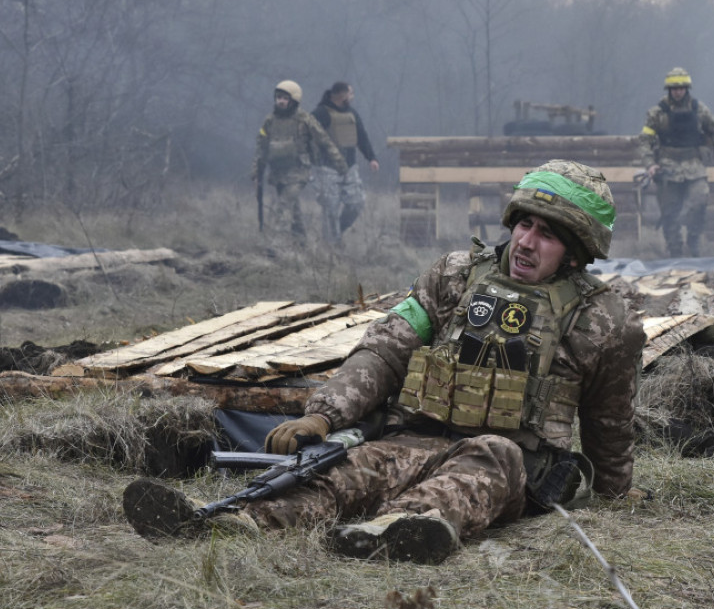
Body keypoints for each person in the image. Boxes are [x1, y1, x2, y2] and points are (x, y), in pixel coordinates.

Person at [123, 160, 646, 564]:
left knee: (490, 455)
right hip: (410, 440)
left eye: (547, 234)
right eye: (525, 225)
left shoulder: (605, 321)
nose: (527, 243)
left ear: (576, 253)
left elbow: (609, 422)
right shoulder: (455, 277)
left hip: (513, 464)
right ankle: (236, 523)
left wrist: (615, 494)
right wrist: (324, 414)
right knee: (344, 472)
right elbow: (386, 349)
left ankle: (396, 531)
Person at [639, 67, 714, 257]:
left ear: (687, 89)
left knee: (699, 200)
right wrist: (650, 164)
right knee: (669, 211)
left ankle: (693, 240)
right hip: (667, 166)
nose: (678, 91)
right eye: (674, 88)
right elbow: (645, 141)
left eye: (681, 88)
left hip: (694, 165)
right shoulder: (657, 113)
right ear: (669, 90)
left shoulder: (700, 110)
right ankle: (675, 252)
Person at [252, 80, 347, 237]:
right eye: (278, 97)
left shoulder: (305, 120)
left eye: (285, 98)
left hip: (299, 172)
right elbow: (261, 147)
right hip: (278, 172)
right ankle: (301, 242)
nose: (281, 101)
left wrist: (340, 164)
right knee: (294, 211)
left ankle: (277, 245)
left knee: (284, 205)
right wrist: (256, 172)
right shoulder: (269, 121)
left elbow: (325, 141)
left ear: (293, 100)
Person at [310, 82, 380, 243]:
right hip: (326, 168)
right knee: (330, 209)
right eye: (350, 93)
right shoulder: (320, 114)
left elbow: (362, 137)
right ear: (341, 95)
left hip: (350, 168)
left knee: (357, 203)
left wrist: (372, 158)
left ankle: (338, 232)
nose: (352, 97)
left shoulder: (352, 114)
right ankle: (331, 248)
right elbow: (306, 138)